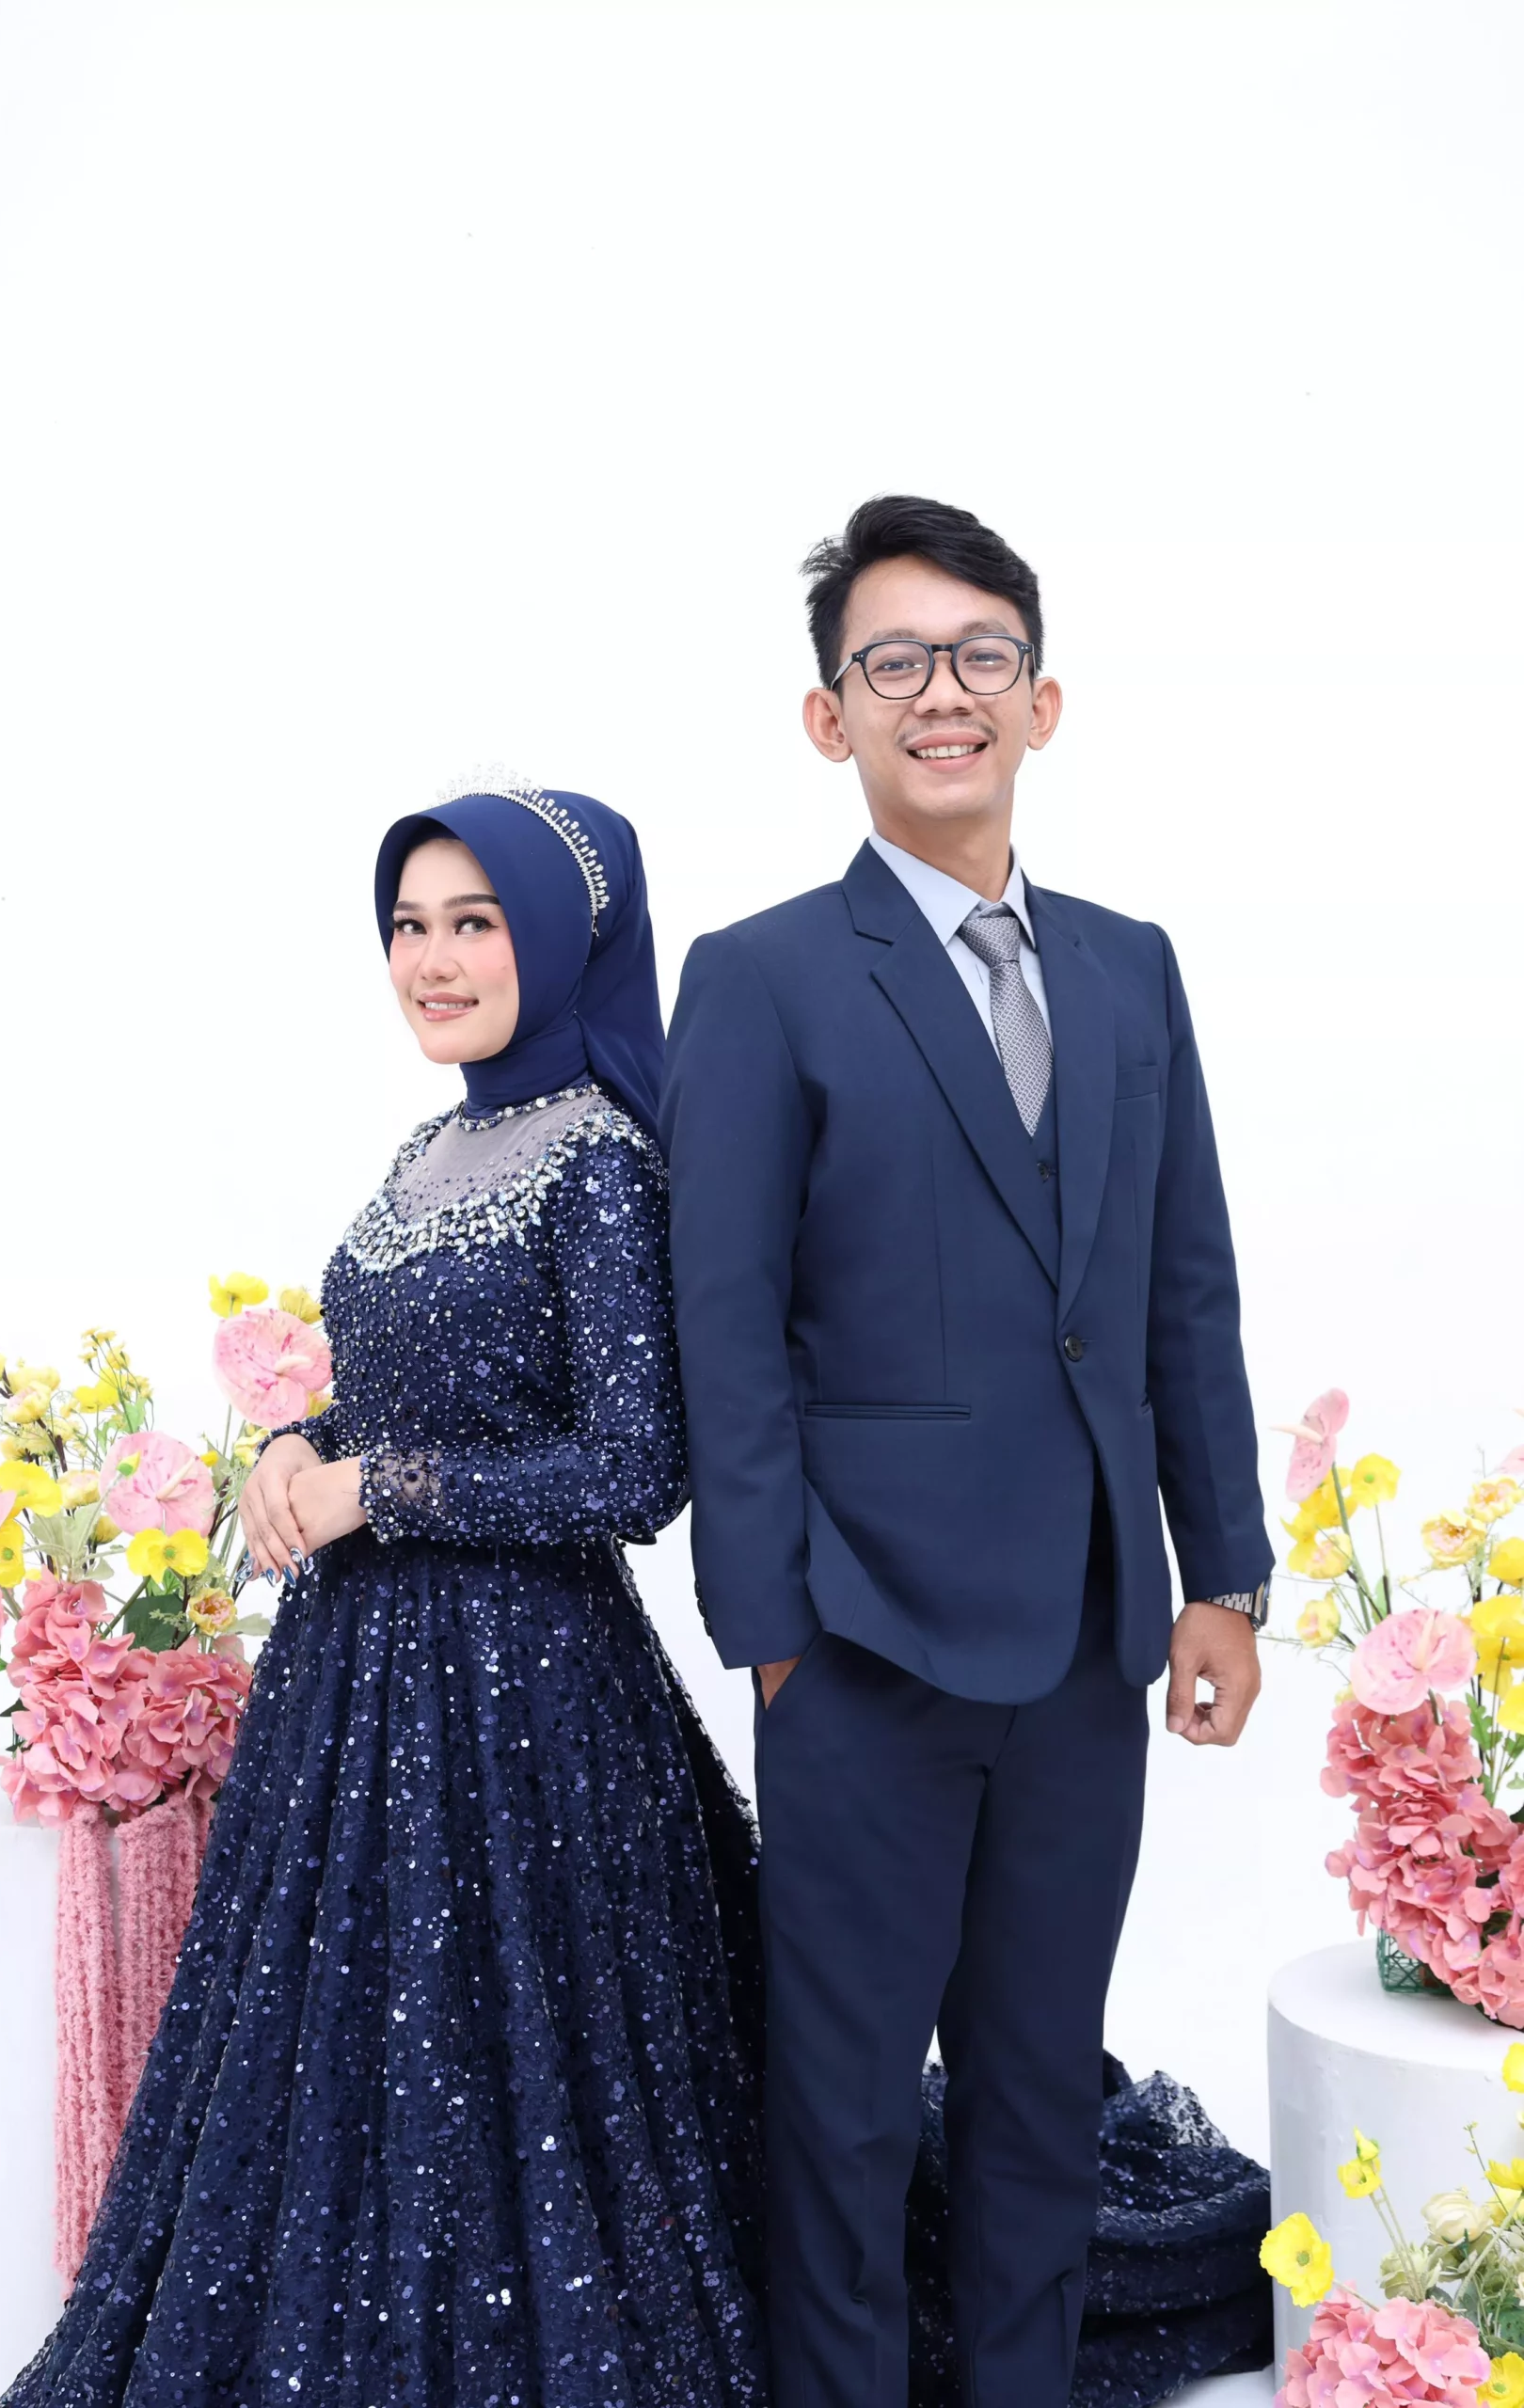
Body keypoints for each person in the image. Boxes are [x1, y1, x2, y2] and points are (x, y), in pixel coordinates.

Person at [0, 768, 1268, 2408]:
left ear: (559, 939)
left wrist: (377, 1489)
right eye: (408, 926)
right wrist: (303, 1442)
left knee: (575, 2079)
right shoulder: (434, 1144)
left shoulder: (600, 1158)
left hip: (526, 1699)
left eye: (476, 923)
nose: (433, 960)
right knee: (401, 2077)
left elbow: (631, 1465)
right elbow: (422, 1387)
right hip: (370, 1706)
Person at [659, 496, 1275, 2408]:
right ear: (828, 716)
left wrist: (1222, 1572)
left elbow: (1182, 1290)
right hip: (860, 1638)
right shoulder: (761, 976)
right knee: (844, 2118)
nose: (945, 692)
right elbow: (725, 1325)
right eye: (895, 662)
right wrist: (770, 1628)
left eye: (980, 656)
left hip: (1091, 1633)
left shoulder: (1128, 967)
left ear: (1042, 699)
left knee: (1037, 2093)